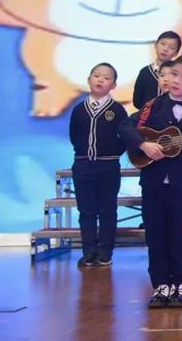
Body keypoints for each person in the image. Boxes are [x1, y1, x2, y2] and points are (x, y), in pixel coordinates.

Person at [120, 53, 182, 308]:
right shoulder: (153, 106)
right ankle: (160, 284)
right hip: (153, 182)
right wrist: (144, 145)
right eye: (174, 74)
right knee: (155, 234)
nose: (176, 80)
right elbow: (126, 127)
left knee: (180, 234)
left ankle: (179, 282)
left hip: (180, 184)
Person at [69, 63, 127, 267]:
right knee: (86, 211)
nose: (100, 80)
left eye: (106, 77)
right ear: (88, 80)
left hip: (108, 167)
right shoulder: (78, 110)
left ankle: (105, 251)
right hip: (83, 166)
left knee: (107, 210)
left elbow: (124, 137)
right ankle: (88, 251)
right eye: (96, 75)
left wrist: (111, 153)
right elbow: (74, 136)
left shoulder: (117, 110)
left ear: (114, 85)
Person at [133, 31, 181, 109]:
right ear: (155, 45)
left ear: (176, 53)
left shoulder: (179, 74)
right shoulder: (145, 72)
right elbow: (137, 101)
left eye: (171, 47)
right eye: (163, 44)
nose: (165, 49)